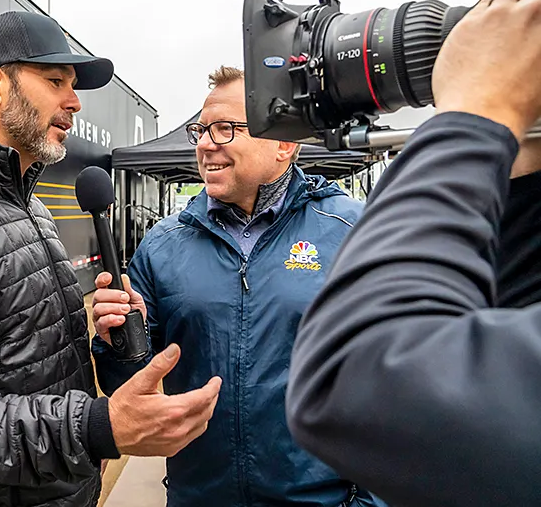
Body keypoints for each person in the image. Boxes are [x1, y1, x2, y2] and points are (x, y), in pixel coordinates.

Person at [0, 11, 221, 507]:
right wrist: (94, 429)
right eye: (55, 81)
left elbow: (31, 364)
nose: (73, 103)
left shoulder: (33, 207)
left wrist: (109, 339)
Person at [285, 0, 541, 507]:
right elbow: (496, 353)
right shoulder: (168, 242)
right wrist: (517, 170)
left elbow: (362, 381)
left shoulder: (343, 220)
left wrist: (478, 113)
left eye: (225, 128)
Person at [91, 65, 385, 506]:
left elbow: (398, 386)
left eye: (226, 128)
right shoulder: (162, 245)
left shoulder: (351, 230)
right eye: (202, 130)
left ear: (284, 142)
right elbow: (130, 386)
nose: (207, 144)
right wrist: (118, 341)